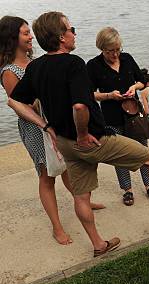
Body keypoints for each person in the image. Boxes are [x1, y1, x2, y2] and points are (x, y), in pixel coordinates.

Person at [8, 11, 149, 257]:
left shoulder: (36, 67)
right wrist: (81, 134)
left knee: (81, 194)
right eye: (71, 29)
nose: (74, 33)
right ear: (60, 36)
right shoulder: (74, 63)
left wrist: (46, 126)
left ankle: (99, 244)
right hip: (91, 139)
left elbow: (15, 102)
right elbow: (80, 106)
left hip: (65, 143)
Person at [0, 16, 106, 245]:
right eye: (25, 33)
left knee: (68, 167)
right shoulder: (10, 71)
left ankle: (83, 201)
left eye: (30, 32)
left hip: (56, 122)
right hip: (37, 128)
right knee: (47, 176)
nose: (31, 38)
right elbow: (21, 105)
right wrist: (48, 95)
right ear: (12, 39)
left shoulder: (37, 61)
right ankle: (57, 227)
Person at [87, 27, 149, 206]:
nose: (116, 54)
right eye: (111, 51)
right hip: (111, 116)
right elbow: (88, 93)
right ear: (102, 48)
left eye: (118, 49)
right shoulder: (93, 66)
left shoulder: (127, 58)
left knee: (143, 150)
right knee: (119, 154)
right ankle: (127, 189)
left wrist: (134, 88)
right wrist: (109, 95)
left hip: (133, 113)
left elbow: (142, 80)